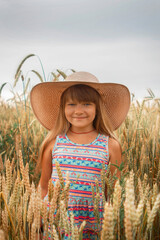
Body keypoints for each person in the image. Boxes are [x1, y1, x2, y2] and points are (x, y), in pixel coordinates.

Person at [30, 71, 130, 239]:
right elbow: (44, 186)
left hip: (93, 223)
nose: (78, 111)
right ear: (62, 108)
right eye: (71, 104)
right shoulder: (53, 143)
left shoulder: (110, 145)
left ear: (97, 107)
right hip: (56, 221)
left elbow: (114, 192)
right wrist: (38, 220)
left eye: (86, 104)